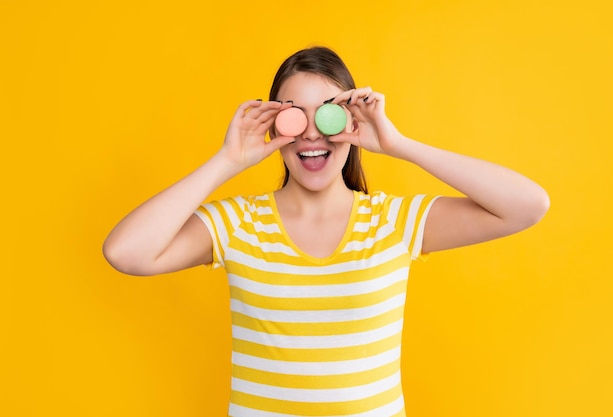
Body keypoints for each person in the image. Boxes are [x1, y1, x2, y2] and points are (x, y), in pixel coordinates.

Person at [103, 46, 549, 417]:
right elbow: (126, 252)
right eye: (295, 116)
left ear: (352, 123)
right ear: (274, 125)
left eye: (329, 115)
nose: (312, 133)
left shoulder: (393, 221)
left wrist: (399, 145)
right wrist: (227, 161)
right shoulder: (237, 223)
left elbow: (528, 206)